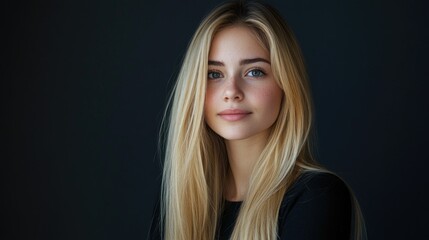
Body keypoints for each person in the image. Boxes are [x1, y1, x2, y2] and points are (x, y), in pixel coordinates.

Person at [148, 1, 367, 239]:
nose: (231, 91)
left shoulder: (317, 196)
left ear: (287, 84)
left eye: (254, 72)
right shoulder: (177, 206)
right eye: (214, 74)